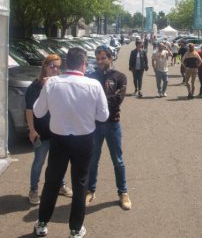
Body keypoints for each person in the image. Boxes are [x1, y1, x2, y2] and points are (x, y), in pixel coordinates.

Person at [33, 48, 109, 238]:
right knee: (80, 183)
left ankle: (42, 223)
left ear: (67, 64)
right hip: (84, 140)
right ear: (83, 64)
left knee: (52, 181)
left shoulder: (52, 83)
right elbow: (103, 115)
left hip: (59, 139)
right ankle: (75, 229)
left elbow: (38, 112)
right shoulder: (93, 84)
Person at [86, 46, 131, 210]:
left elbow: (117, 100)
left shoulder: (120, 77)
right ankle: (90, 190)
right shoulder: (90, 77)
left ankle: (123, 192)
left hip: (113, 124)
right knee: (92, 160)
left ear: (110, 58)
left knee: (118, 161)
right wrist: (102, 100)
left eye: (103, 58)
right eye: (97, 59)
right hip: (94, 125)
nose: (100, 62)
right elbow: (86, 101)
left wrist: (97, 99)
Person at [25, 54, 73, 205]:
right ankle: (33, 190)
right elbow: (29, 110)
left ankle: (61, 185)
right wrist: (32, 130)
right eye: (51, 66)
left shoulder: (60, 85)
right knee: (39, 162)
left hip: (58, 131)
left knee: (60, 160)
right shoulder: (35, 86)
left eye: (58, 67)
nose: (55, 69)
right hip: (42, 133)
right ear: (45, 66)